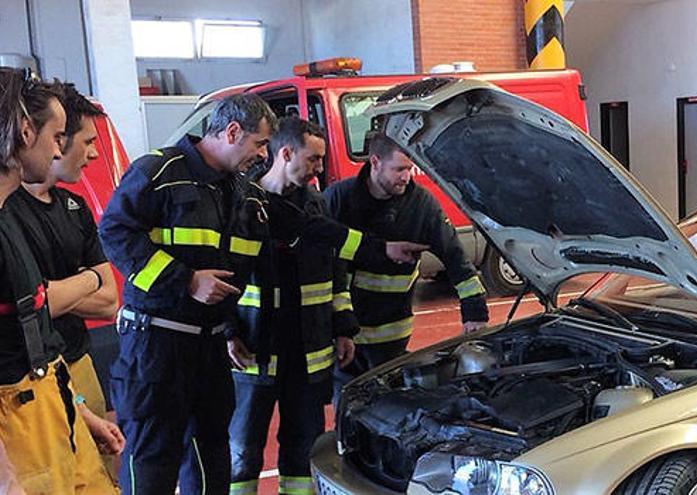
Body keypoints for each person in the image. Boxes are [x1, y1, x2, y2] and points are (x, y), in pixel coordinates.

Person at [99, 94, 425, 494]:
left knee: (211, 456)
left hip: (209, 348)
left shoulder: (243, 193)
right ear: (232, 132)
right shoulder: (160, 171)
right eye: (258, 144)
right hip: (156, 345)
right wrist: (185, 280)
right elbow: (114, 232)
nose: (262, 154)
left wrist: (380, 249)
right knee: (154, 458)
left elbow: (307, 228)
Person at [0, 67, 121, 493]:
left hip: (51, 397)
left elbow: (41, 321)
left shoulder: (10, 217)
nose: (59, 149)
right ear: (25, 131)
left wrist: (80, 410)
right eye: (58, 135)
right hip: (18, 424)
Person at [226, 117, 357, 495]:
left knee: (304, 451)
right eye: (313, 158)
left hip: (308, 354)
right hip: (253, 352)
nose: (319, 168)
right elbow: (225, 274)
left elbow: (337, 272)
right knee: (242, 450)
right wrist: (229, 332)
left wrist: (344, 327)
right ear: (285, 153)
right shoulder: (244, 206)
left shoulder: (318, 207)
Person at [325, 133, 489, 386]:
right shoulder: (339, 199)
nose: (407, 176)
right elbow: (322, 258)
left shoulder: (421, 205)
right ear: (375, 161)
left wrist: (474, 311)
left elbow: (455, 257)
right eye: (399, 169)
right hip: (345, 330)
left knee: (389, 404)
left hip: (391, 335)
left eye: (410, 168)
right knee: (347, 399)